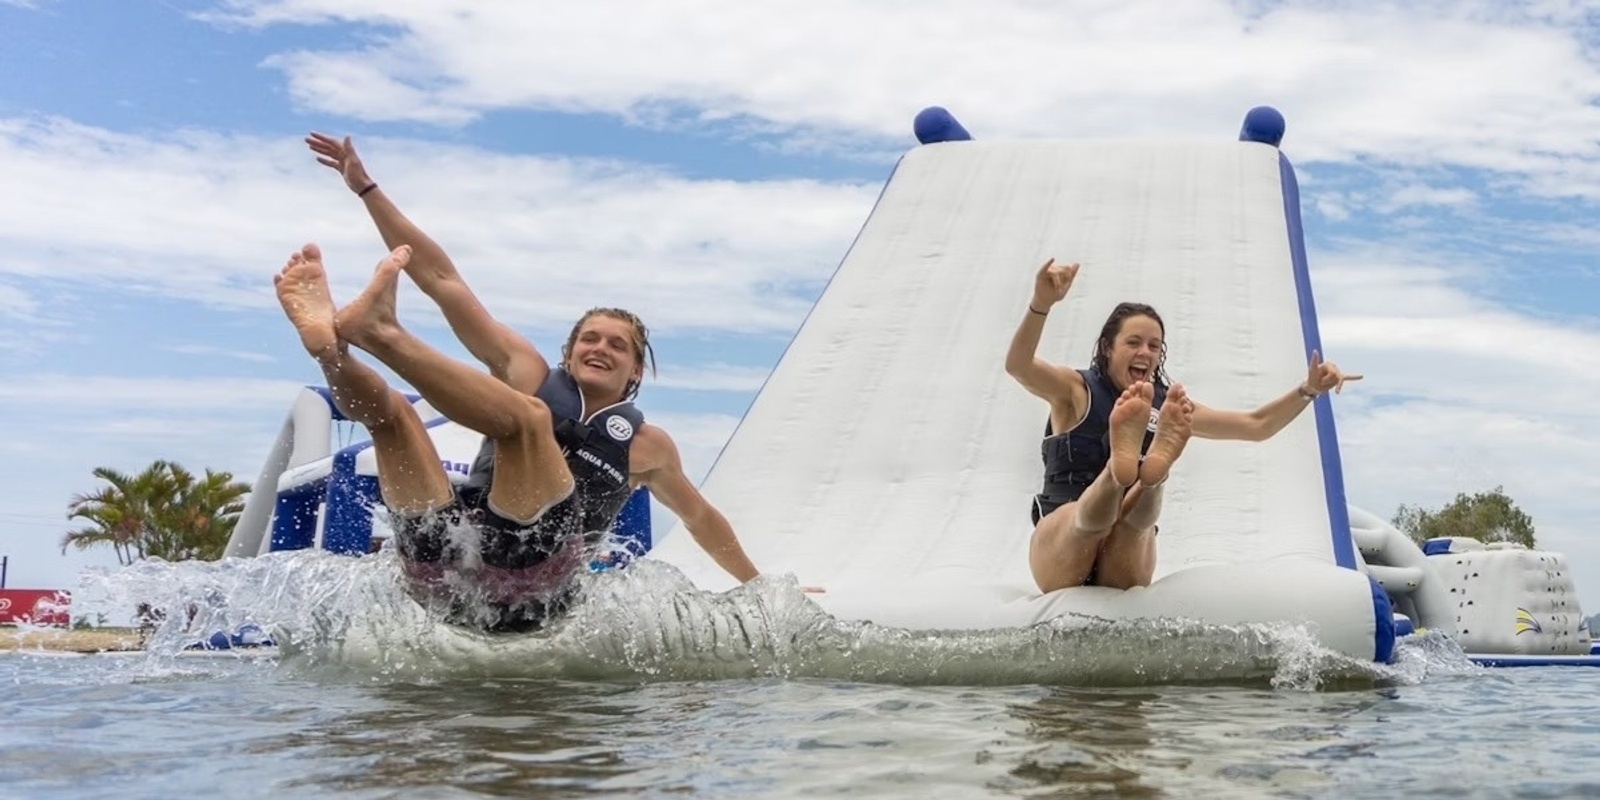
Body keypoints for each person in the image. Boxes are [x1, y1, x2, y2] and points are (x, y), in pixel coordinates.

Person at [272, 134, 780, 631]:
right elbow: (444, 281)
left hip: (535, 590)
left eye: (617, 345)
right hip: (443, 570)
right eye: (589, 339)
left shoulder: (649, 447)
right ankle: (333, 350)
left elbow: (701, 519)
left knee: (518, 420)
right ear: (570, 351)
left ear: (636, 372)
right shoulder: (529, 373)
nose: (600, 348)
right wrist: (367, 189)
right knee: (394, 418)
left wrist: (761, 591)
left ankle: (370, 337)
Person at [1003, 258, 1362, 594]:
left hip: (1122, 559)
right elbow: (1019, 366)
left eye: (1154, 346)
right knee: (1084, 520)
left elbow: (1256, 425)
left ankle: (1147, 473)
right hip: (1063, 547)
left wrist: (1308, 389)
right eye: (1133, 342)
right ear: (1107, 348)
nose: (1146, 352)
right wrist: (1041, 304)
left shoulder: (1170, 407)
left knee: (1134, 522)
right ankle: (1122, 472)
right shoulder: (1075, 391)